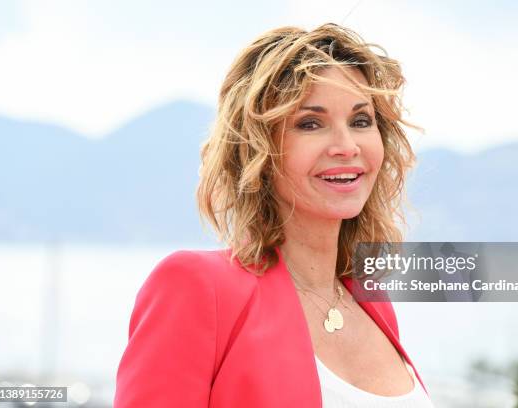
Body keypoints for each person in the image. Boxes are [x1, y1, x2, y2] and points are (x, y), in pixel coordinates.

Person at [114, 22, 434, 407]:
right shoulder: (196, 287)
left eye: (360, 121)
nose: (347, 146)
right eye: (310, 123)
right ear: (258, 151)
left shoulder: (370, 299)